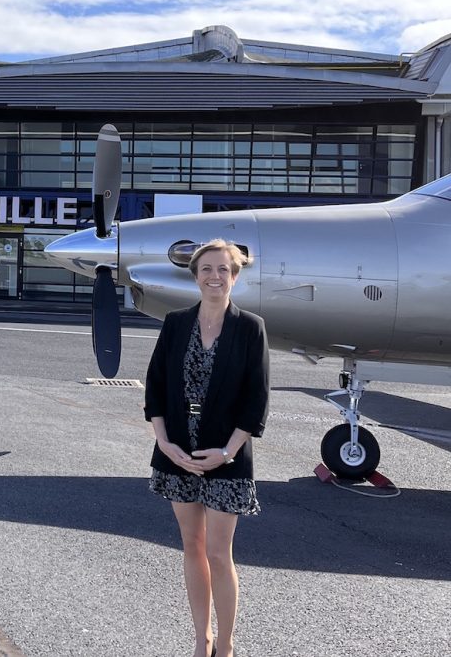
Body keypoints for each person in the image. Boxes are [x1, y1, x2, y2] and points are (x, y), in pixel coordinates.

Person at [143, 239, 270, 657]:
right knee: (192, 546)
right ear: (195, 276)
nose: (215, 277)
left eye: (223, 270)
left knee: (218, 552)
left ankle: (227, 644)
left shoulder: (250, 327)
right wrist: (164, 442)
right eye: (207, 270)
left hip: (226, 456)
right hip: (177, 452)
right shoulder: (176, 323)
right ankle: (203, 639)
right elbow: (156, 387)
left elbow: (257, 400)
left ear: (234, 276)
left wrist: (228, 452)